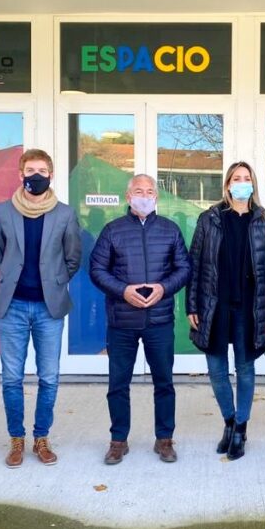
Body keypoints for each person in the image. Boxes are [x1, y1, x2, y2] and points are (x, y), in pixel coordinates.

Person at [0, 149, 82, 468]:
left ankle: (41, 437)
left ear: (51, 175)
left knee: (50, 377)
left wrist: (55, 282)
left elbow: (73, 258)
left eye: (42, 170)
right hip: (13, 305)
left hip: (48, 308)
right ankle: (16, 439)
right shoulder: (2, 212)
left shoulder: (65, 214)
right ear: (20, 174)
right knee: (11, 378)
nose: (36, 176)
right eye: (31, 170)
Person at [89, 174, 190, 465]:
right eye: (138, 191)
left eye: (149, 191)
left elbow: (183, 268)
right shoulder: (112, 230)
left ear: (156, 197)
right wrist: (123, 291)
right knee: (118, 384)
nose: (143, 196)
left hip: (159, 320)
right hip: (122, 321)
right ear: (127, 195)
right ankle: (118, 440)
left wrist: (163, 288)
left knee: (164, 382)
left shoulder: (170, 231)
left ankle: (165, 439)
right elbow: (97, 269)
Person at [186, 162, 265, 460]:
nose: (242, 183)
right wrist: (192, 304)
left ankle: (241, 427)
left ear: (253, 184)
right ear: (227, 185)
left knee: (245, 369)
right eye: (236, 179)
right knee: (216, 370)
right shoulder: (210, 219)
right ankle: (228, 420)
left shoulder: (263, 220)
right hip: (214, 304)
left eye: (246, 179)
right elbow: (196, 264)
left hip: (249, 308)